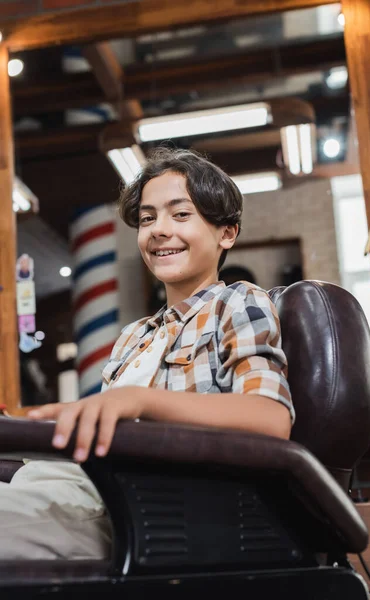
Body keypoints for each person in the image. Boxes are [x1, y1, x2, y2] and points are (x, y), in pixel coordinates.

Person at [1, 147, 294, 560]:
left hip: (139, 511)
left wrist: (139, 400)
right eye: (147, 218)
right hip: (60, 483)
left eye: (180, 214)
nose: (158, 230)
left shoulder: (237, 303)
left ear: (227, 232)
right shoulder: (133, 336)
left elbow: (270, 418)